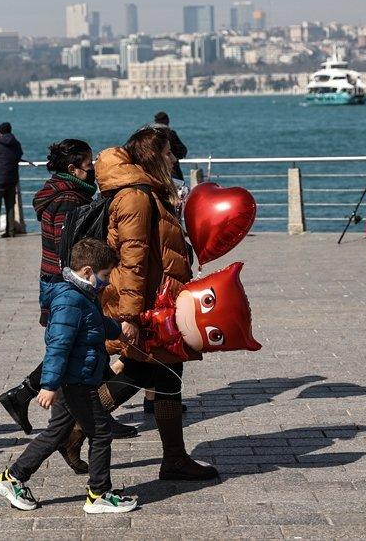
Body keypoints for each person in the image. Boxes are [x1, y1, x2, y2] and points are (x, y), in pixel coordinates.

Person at [0, 139, 137, 466]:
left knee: (82, 346)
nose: (95, 170)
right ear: (73, 169)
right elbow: (70, 250)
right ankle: (37, 401)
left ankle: (44, 402)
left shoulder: (64, 193)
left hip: (58, 279)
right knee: (72, 346)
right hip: (65, 283)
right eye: (89, 165)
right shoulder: (67, 201)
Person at [97, 126, 217, 481]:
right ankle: (71, 430)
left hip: (160, 300)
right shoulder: (136, 197)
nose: (174, 158)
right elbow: (132, 260)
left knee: (165, 374)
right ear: (153, 155)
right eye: (168, 152)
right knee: (142, 373)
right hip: (147, 304)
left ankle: (175, 458)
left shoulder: (152, 192)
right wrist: (130, 315)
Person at [0, 238, 138, 515]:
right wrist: (48, 385)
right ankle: (99, 494)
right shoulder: (70, 299)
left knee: (57, 432)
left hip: (78, 378)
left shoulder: (80, 295)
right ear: (87, 271)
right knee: (101, 431)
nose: (106, 282)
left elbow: (93, 324)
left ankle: (12, 478)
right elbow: (58, 345)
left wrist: (117, 329)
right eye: (104, 276)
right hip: (75, 380)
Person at [148, 111, 188, 181]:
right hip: (171, 169)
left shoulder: (148, 135)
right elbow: (182, 150)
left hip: (153, 170)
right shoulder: (170, 134)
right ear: (167, 121)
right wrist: (174, 155)